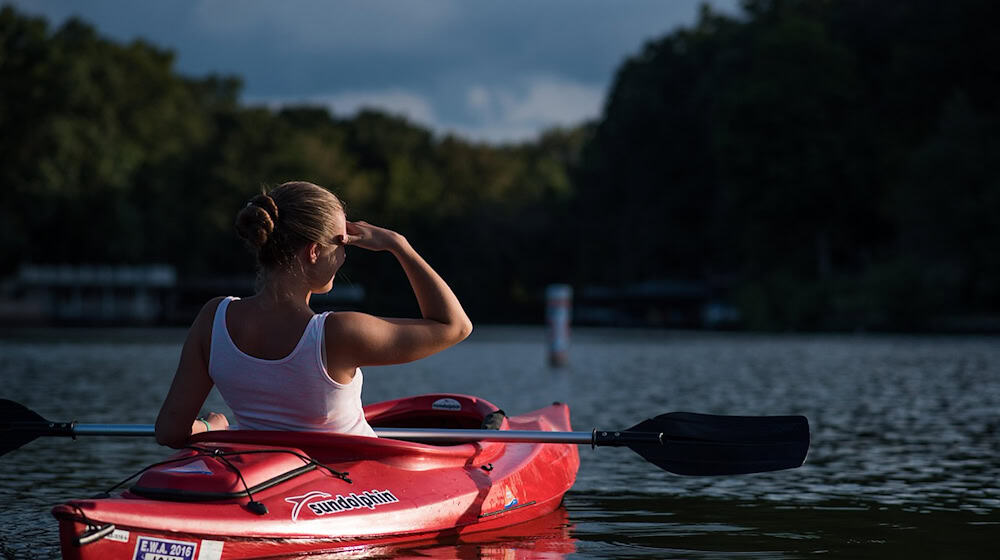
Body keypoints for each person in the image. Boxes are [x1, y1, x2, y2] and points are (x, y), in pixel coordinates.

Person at [155, 181, 472, 448]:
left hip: (268, 482)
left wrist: (213, 430)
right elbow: (455, 326)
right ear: (314, 252)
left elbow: (170, 431)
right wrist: (399, 246)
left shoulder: (213, 318)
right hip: (349, 491)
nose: (345, 254)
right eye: (342, 242)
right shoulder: (338, 333)